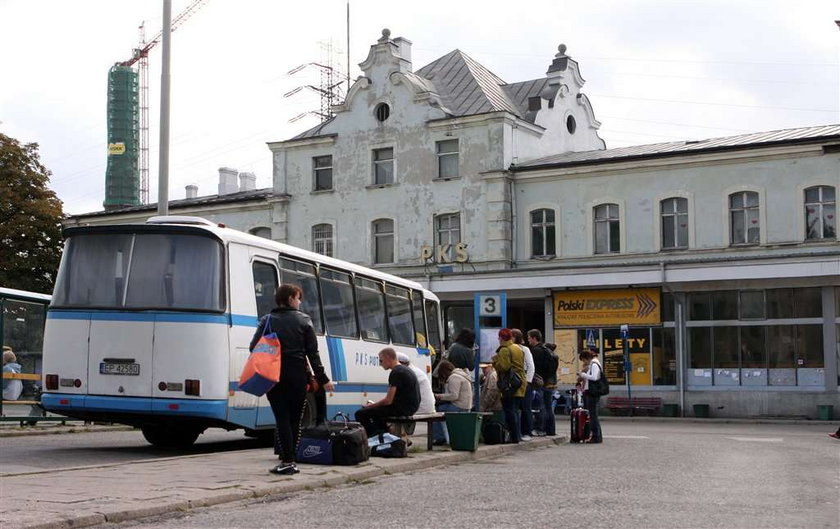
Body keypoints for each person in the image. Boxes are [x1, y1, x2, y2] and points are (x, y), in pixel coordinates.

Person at [249, 284, 334, 476]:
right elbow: (313, 354)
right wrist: (323, 379)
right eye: (298, 297)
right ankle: (291, 459)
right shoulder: (304, 321)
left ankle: (287, 460)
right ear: (289, 299)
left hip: (274, 375)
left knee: (282, 419)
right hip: (297, 377)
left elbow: (253, 346)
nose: (299, 301)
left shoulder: (267, 320)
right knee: (295, 419)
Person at [355, 347, 420, 437]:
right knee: (377, 414)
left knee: (361, 413)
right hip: (411, 407)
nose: (380, 364)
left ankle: (377, 438)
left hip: (403, 409)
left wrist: (369, 406)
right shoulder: (405, 369)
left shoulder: (396, 373)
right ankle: (385, 436)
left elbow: (388, 400)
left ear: (388, 358)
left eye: (381, 361)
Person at [492, 328, 526, 444]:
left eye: (499, 337)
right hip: (519, 382)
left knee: (509, 411)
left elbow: (504, 367)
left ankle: (514, 436)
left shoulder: (504, 350)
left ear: (501, 338)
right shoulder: (517, 348)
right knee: (515, 410)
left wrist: (495, 361)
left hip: (509, 385)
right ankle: (517, 435)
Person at [432, 359, 473, 445]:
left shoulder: (454, 377)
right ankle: (441, 436)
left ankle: (439, 437)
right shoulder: (461, 374)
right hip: (466, 405)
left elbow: (454, 396)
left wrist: (440, 396)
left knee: (436, 413)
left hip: (459, 406)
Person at [528, 329, 559, 436]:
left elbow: (534, 368)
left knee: (540, 407)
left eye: (529, 338)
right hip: (549, 382)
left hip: (539, 382)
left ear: (534, 338)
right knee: (548, 407)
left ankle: (540, 429)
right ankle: (551, 430)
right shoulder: (547, 350)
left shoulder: (536, 351)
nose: (528, 340)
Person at [512, 329, 535, 441]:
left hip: (524, 382)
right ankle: (518, 431)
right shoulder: (509, 349)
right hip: (513, 383)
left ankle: (527, 431)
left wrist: (527, 381)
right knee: (515, 407)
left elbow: (531, 366)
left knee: (526, 407)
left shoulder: (525, 349)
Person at [577, 348, 604, 443]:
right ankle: (597, 436)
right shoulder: (593, 364)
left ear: (587, 358)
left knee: (593, 416)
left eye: (584, 360)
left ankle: (596, 436)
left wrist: (583, 375)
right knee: (593, 415)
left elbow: (595, 377)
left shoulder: (594, 364)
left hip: (593, 392)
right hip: (591, 392)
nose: (584, 362)